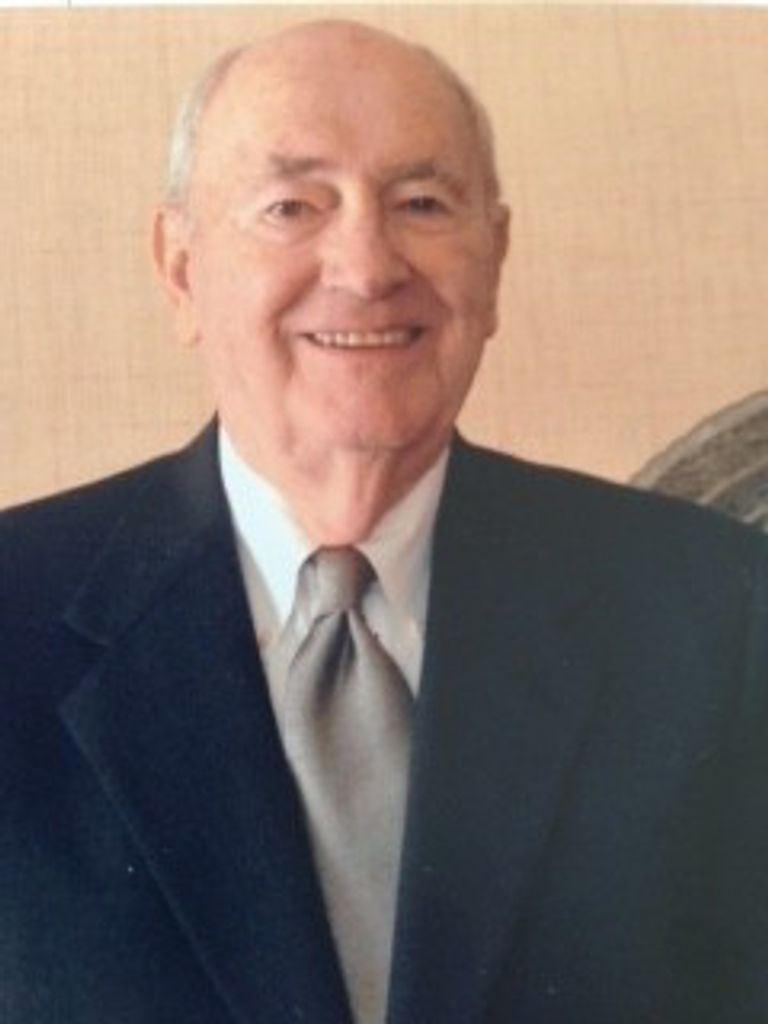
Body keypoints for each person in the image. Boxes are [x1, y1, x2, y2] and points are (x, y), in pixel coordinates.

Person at [1, 19, 767, 1024]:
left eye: (421, 203)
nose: (365, 266)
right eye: (292, 206)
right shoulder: (15, 613)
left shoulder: (717, 609)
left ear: (493, 259)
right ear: (180, 268)